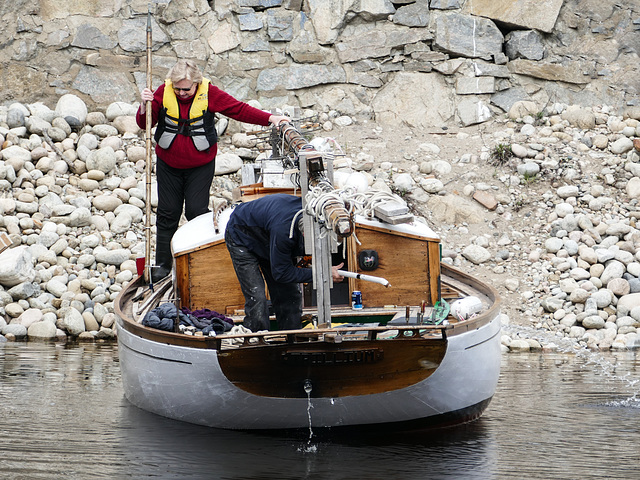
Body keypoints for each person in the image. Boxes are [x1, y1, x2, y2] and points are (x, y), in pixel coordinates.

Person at [136, 59, 289, 282]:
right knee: (168, 213)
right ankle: (162, 266)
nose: (181, 93)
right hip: (169, 164)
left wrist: (270, 119)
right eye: (177, 88)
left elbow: (239, 110)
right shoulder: (162, 92)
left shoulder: (210, 93)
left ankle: (201, 262)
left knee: (197, 211)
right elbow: (144, 124)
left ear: (196, 84)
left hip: (200, 165)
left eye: (186, 89)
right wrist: (143, 105)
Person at [225, 194, 344, 332]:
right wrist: (323, 273)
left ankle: (291, 338)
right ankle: (256, 339)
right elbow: (281, 273)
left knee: (290, 295)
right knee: (257, 298)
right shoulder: (285, 231)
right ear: (305, 234)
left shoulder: (313, 213)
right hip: (242, 234)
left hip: (268, 233)